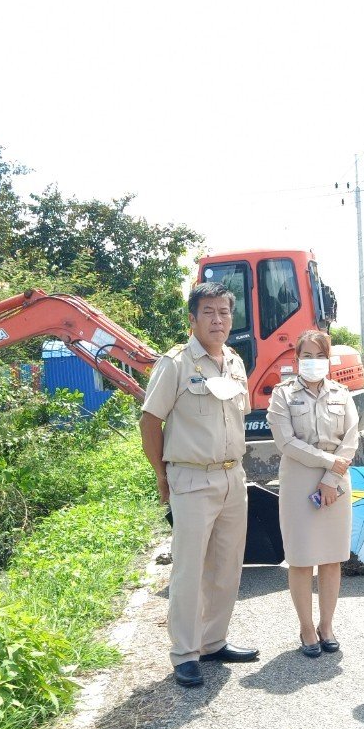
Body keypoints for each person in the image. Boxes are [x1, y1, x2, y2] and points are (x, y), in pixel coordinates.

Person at [140, 282, 259, 688]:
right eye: (208, 312)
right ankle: (185, 653)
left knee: (227, 565)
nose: (217, 320)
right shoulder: (175, 363)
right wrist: (162, 474)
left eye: (224, 312)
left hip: (232, 476)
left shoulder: (235, 362)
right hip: (191, 477)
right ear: (192, 319)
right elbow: (150, 422)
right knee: (189, 570)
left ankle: (213, 641)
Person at [267, 330, 360, 657]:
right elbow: (286, 442)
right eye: (307, 356)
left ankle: (326, 625)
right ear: (297, 359)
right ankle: (306, 627)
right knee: (302, 559)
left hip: (337, 480)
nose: (314, 362)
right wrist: (328, 462)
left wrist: (331, 477)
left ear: (328, 360)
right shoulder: (282, 395)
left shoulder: (342, 394)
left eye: (320, 356)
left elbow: (351, 438)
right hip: (299, 478)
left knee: (332, 558)